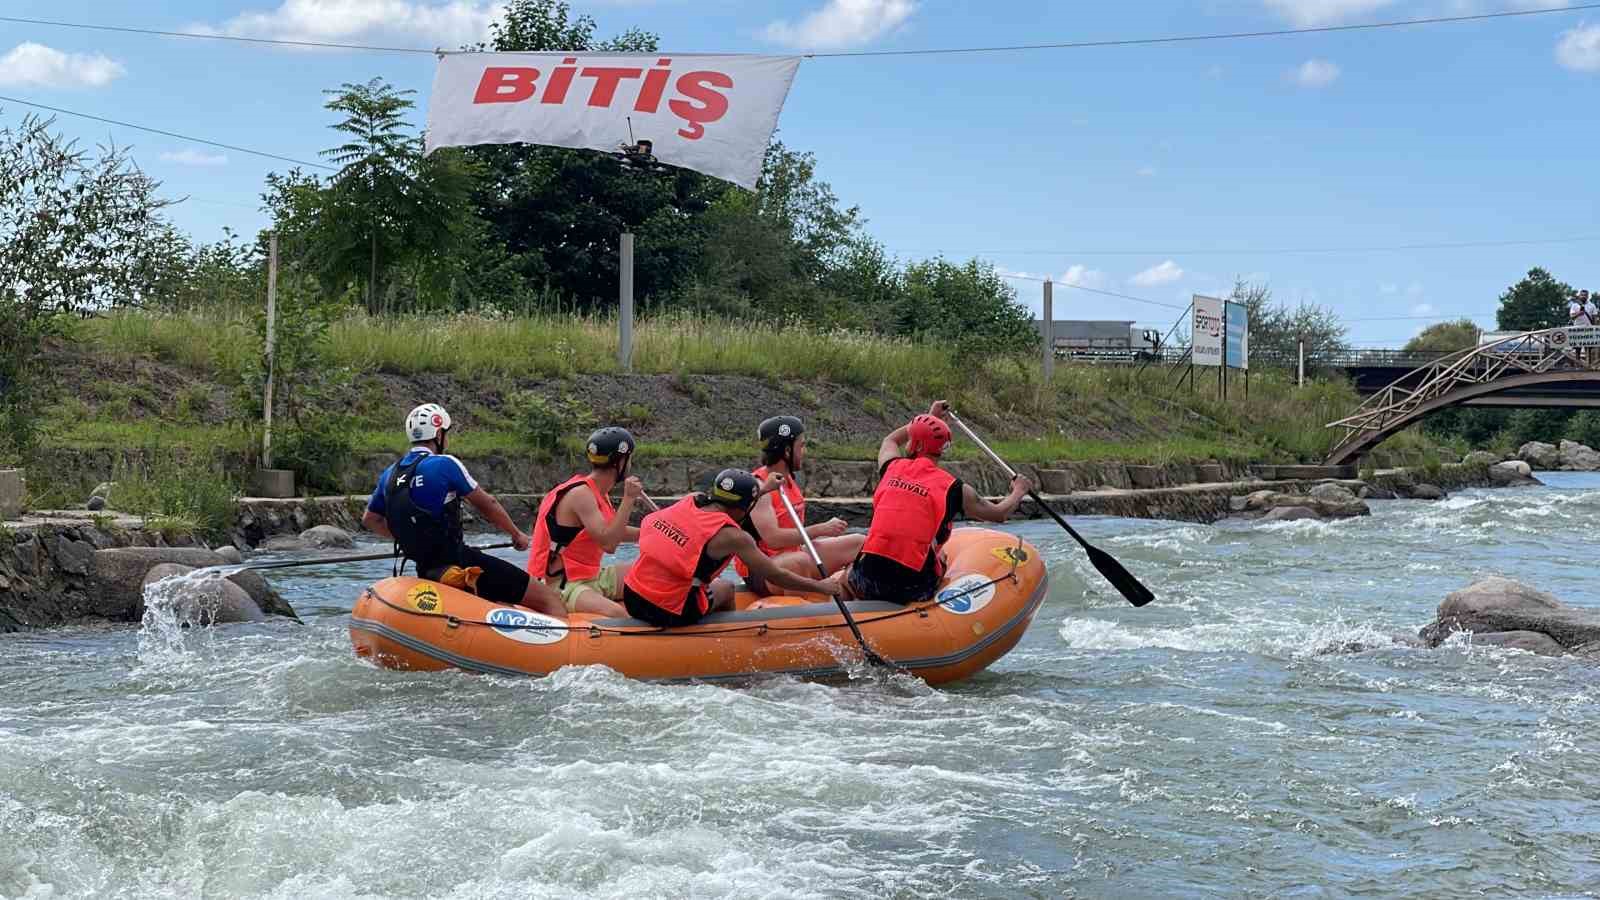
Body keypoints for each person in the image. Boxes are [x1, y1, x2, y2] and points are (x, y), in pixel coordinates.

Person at [362, 403, 565, 617]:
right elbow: (488, 504)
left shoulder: (390, 474)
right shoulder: (445, 464)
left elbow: (371, 519)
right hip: (458, 561)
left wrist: (409, 537)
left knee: (503, 603)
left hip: (425, 569)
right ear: (438, 434)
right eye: (446, 434)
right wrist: (517, 535)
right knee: (549, 599)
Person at [843, 401, 1032, 605]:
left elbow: (890, 440)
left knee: (850, 572)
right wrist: (1019, 491)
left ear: (918, 444)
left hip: (868, 580)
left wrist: (929, 417)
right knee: (941, 556)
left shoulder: (891, 467)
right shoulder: (956, 489)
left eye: (913, 437)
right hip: (911, 587)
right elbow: (999, 513)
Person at [621, 468, 844, 628]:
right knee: (726, 588)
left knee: (704, 582)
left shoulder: (691, 500)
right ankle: (729, 636)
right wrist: (821, 587)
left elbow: (736, 506)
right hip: (668, 609)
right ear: (747, 505)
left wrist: (763, 489)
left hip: (631, 594)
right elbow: (777, 575)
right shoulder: (735, 538)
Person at [734, 415, 864, 596]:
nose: (804, 451)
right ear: (787, 451)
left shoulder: (788, 480)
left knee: (859, 541)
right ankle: (802, 612)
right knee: (799, 562)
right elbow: (773, 539)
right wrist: (821, 529)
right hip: (764, 569)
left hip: (795, 553)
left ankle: (852, 590)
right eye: (801, 446)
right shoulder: (759, 486)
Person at [526, 426, 641, 618]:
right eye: (629, 459)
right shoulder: (581, 494)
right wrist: (629, 499)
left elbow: (614, 530)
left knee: (651, 575)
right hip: (562, 584)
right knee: (616, 614)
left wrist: (653, 531)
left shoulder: (597, 492)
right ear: (621, 462)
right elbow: (609, 543)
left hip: (590, 575)